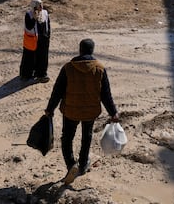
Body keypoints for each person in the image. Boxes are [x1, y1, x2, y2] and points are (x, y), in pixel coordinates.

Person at [44, 38, 119, 185]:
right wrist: (113, 112)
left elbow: (57, 92)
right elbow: (106, 94)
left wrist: (50, 109)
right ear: (92, 50)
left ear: (80, 50)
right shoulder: (99, 68)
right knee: (87, 136)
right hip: (90, 112)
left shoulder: (68, 68)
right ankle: (83, 164)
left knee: (67, 138)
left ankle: (71, 164)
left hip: (70, 110)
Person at [19, 0, 51, 83]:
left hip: (43, 39)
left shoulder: (45, 13)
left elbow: (48, 25)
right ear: (34, 6)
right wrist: (34, 17)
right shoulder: (29, 14)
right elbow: (29, 26)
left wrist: (48, 36)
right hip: (32, 40)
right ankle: (26, 75)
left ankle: (42, 74)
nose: (41, 7)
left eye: (41, 5)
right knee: (29, 58)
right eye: (39, 5)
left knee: (43, 57)